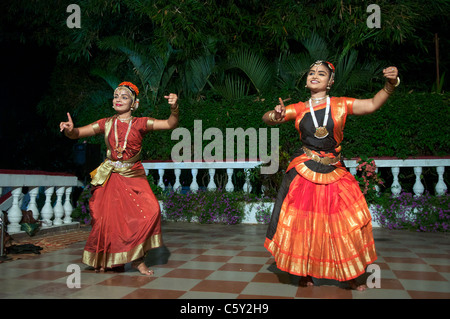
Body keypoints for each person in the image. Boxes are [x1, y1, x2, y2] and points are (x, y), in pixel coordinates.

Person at [263, 61, 399, 290]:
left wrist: (391, 84)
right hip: (305, 170)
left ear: (331, 82)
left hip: (334, 170)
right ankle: (304, 271)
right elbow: (266, 118)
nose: (314, 76)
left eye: (321, 74)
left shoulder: (340, 104)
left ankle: (351, 273)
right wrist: (275, 115)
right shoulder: (299, 108)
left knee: (346, 223)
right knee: (304, 225)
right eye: (311, 72)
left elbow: (373, 104)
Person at [60, 81, 179, 275]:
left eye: (124, 97)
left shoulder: (141, 123)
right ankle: (111, 259)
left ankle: (137, 258)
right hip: (111, 175)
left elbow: (170, 124)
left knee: (152, 211)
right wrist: (69, 130)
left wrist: (174, 108)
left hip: (134, 174)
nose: (119, 100)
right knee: (108, 220)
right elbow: (78, 133)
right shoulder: (106, 123)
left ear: (134, 104)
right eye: (116, 96)